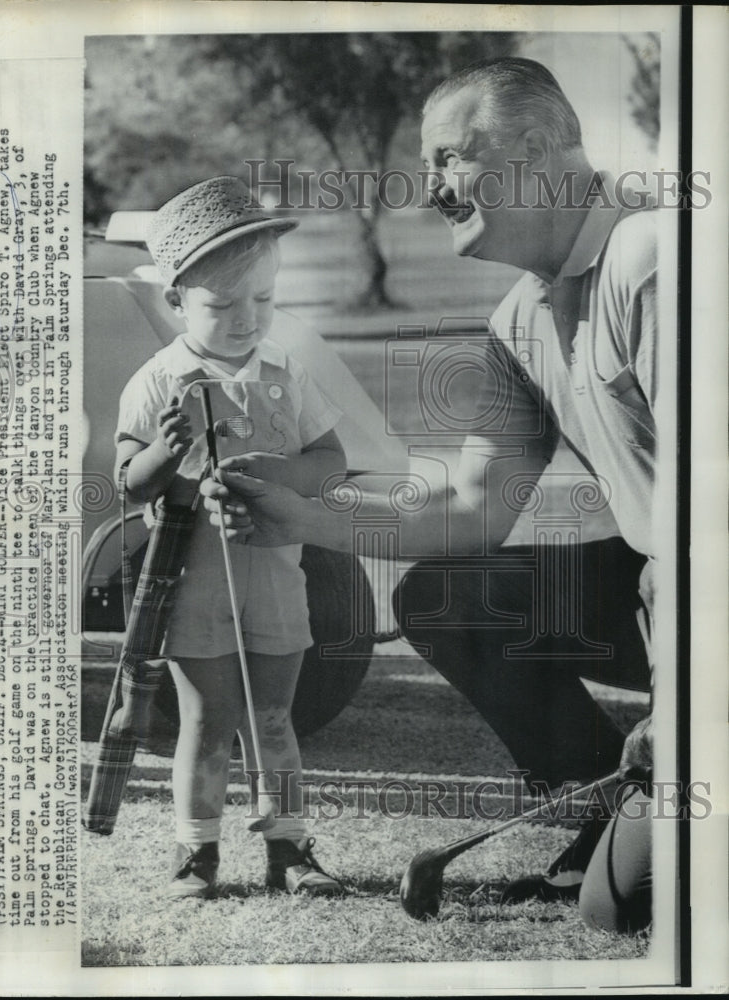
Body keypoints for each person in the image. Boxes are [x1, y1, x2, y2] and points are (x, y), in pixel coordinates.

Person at [204, 58, 660, 932]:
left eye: (451, 157)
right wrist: (300, 516)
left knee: (624, 909)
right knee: (450, 597)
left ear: (533, 148)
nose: (431, 188)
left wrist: (687, 699)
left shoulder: (654, 259)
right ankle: (615, 801)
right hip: (658, 594)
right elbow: (469, 504)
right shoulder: (517, 321)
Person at [115, 176, 346, 900]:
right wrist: (162, 450)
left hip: (276, 574)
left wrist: (285, 470)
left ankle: (290, 850)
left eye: (265, 300)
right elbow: (130, 481)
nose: (248, 320)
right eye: (222, 305)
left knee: (274, 716)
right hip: (192, 580)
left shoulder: (288, 374)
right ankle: (197, 853)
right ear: (176, 300)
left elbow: (331, 462)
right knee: (207, 720)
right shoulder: (156, 382)